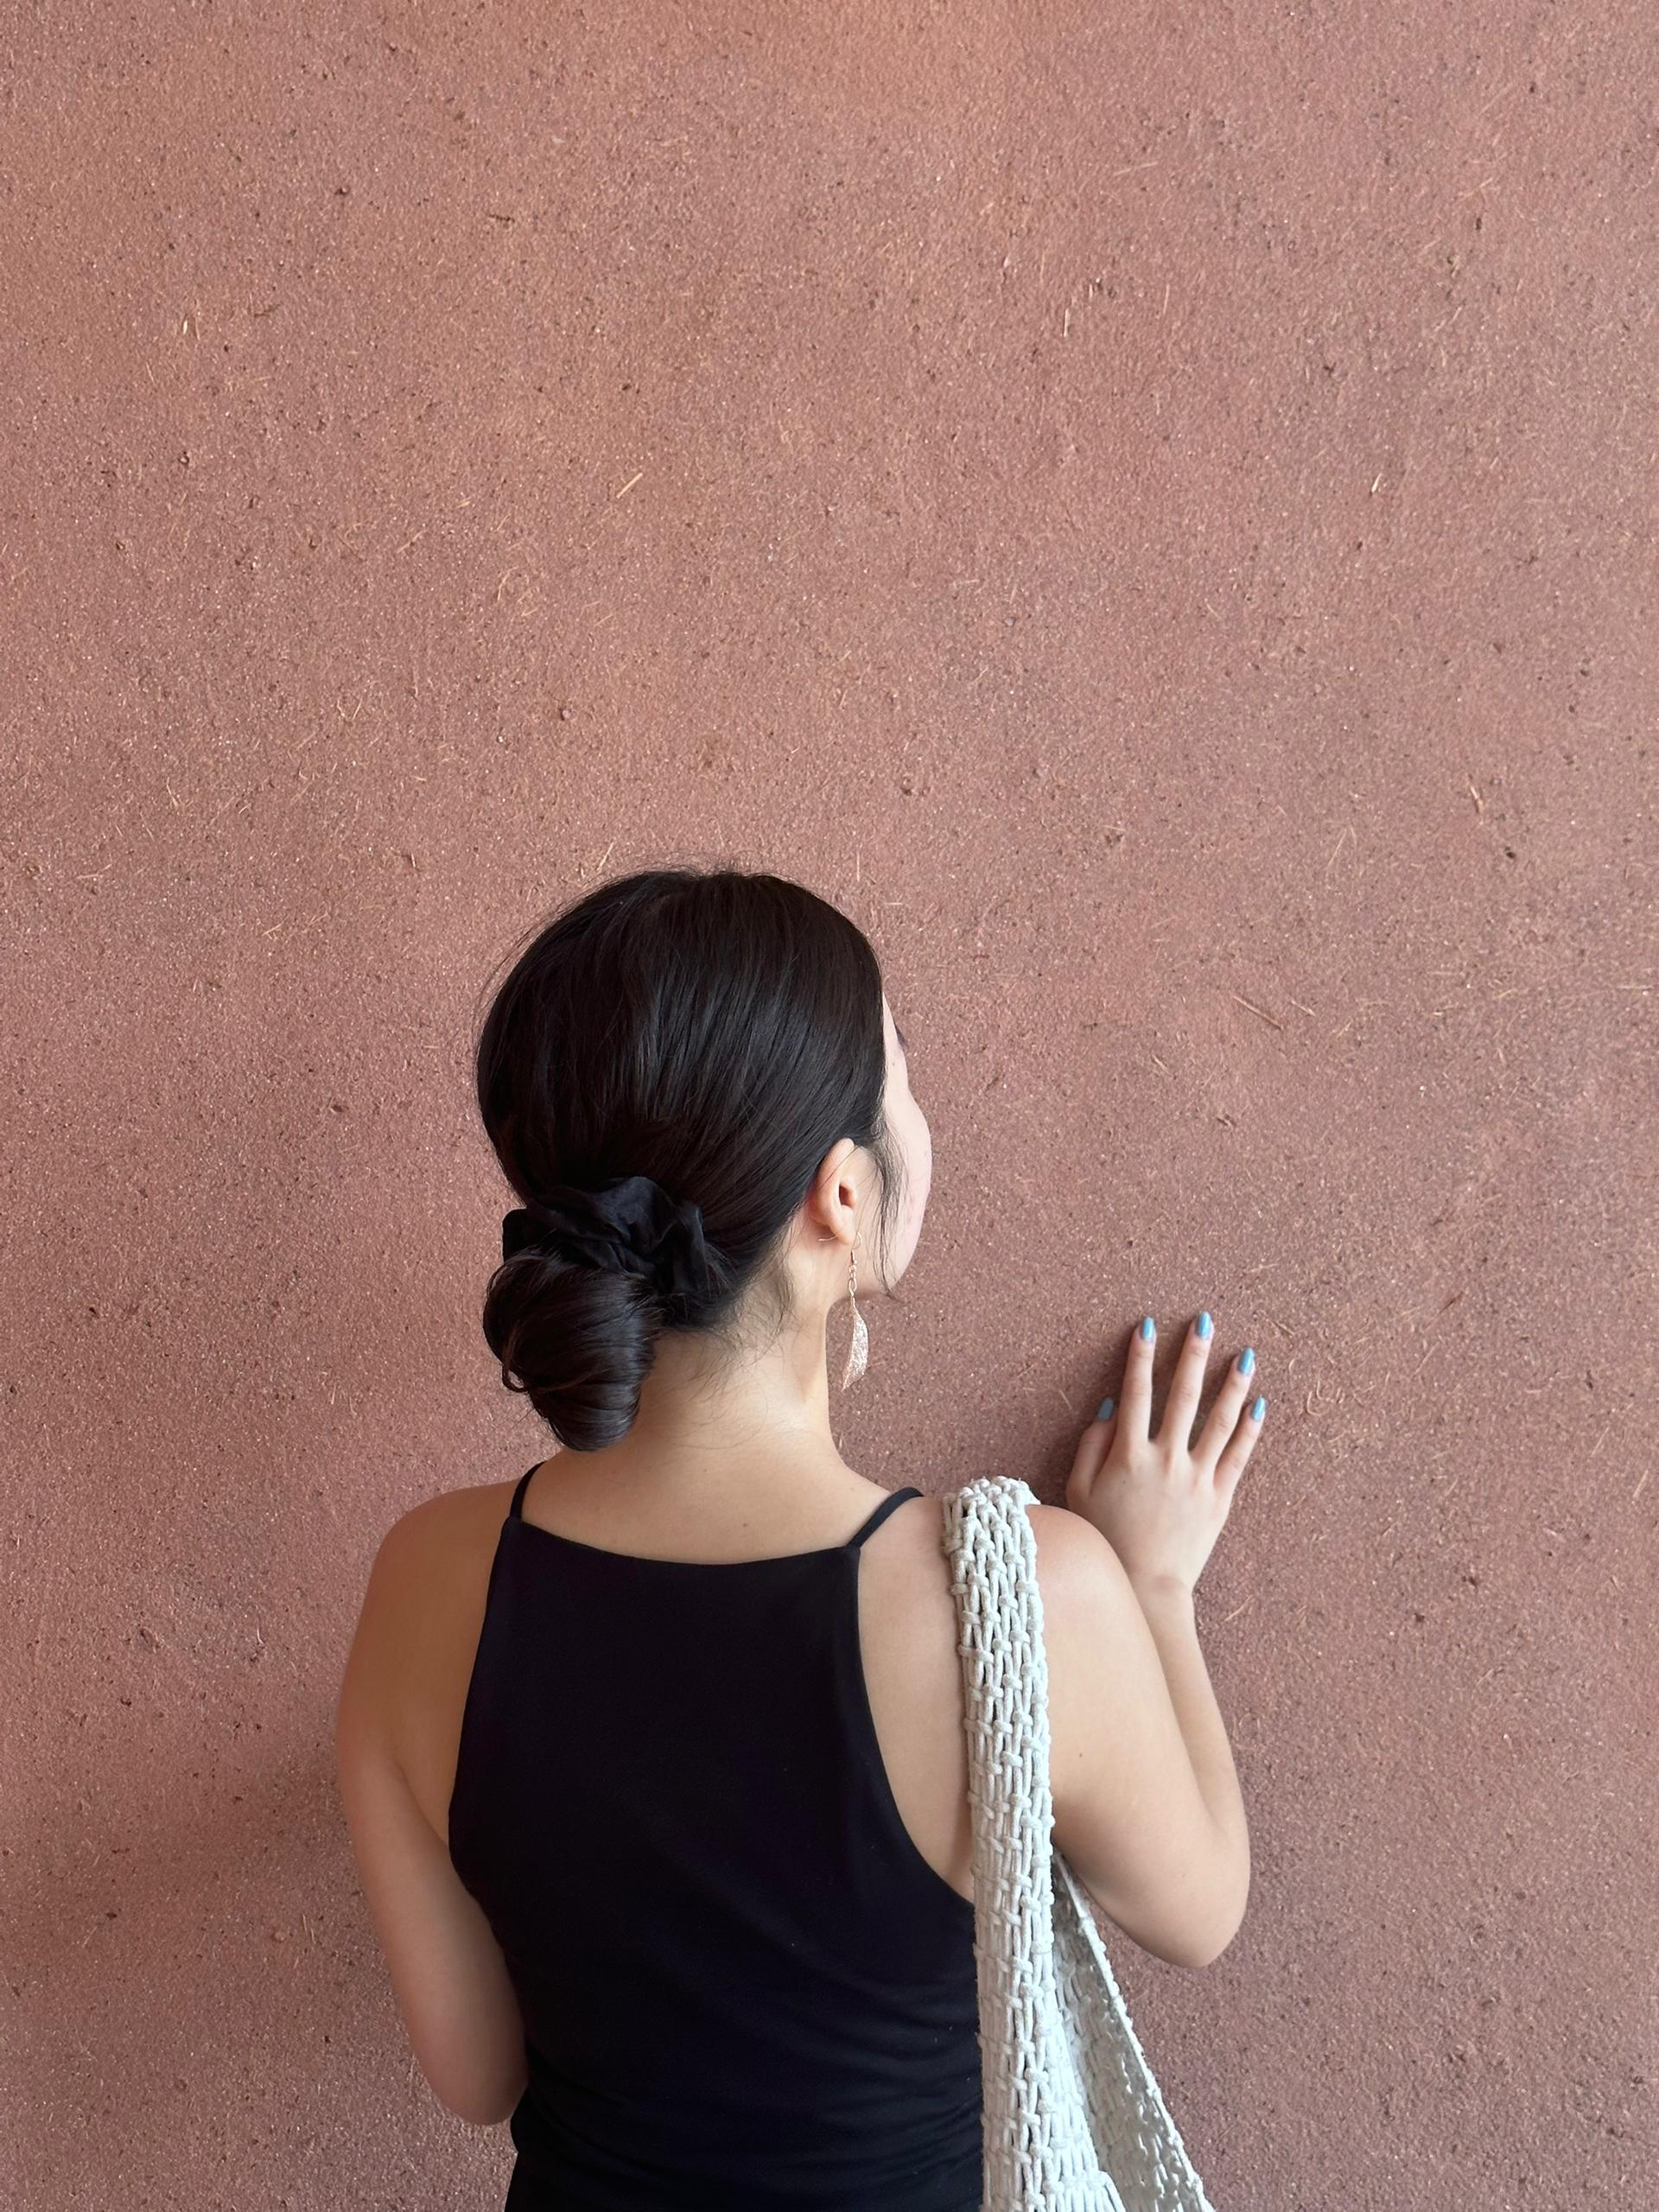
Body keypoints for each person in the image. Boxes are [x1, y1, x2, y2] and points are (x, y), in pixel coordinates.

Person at [335, 865, 1260, 2210]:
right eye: (905, 1081)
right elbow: (1203, 1909)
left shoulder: (428, 1579)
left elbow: (479, 2074)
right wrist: (1153, 1578)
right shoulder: (1023, 1602)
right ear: (839, 1195)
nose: (918, 1121)